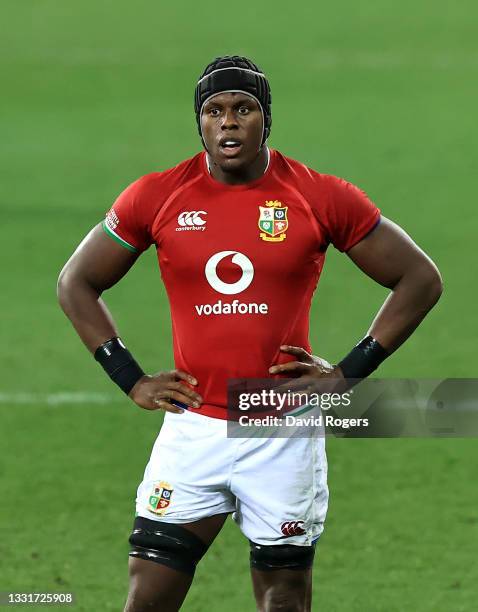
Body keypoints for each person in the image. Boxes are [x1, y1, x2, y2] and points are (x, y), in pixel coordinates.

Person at [57, 55, 443, 612]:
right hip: (193, 430)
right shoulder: (156, 196)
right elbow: (77, 283)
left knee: (284, 595)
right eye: (214, 110)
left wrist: (347, 373)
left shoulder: (320, 195)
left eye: (244, 109)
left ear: (267, 120)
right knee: (147, 597)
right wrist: (128, 376)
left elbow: (419, 278)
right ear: (200, 123)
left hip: (281, 430)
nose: (229, 121)